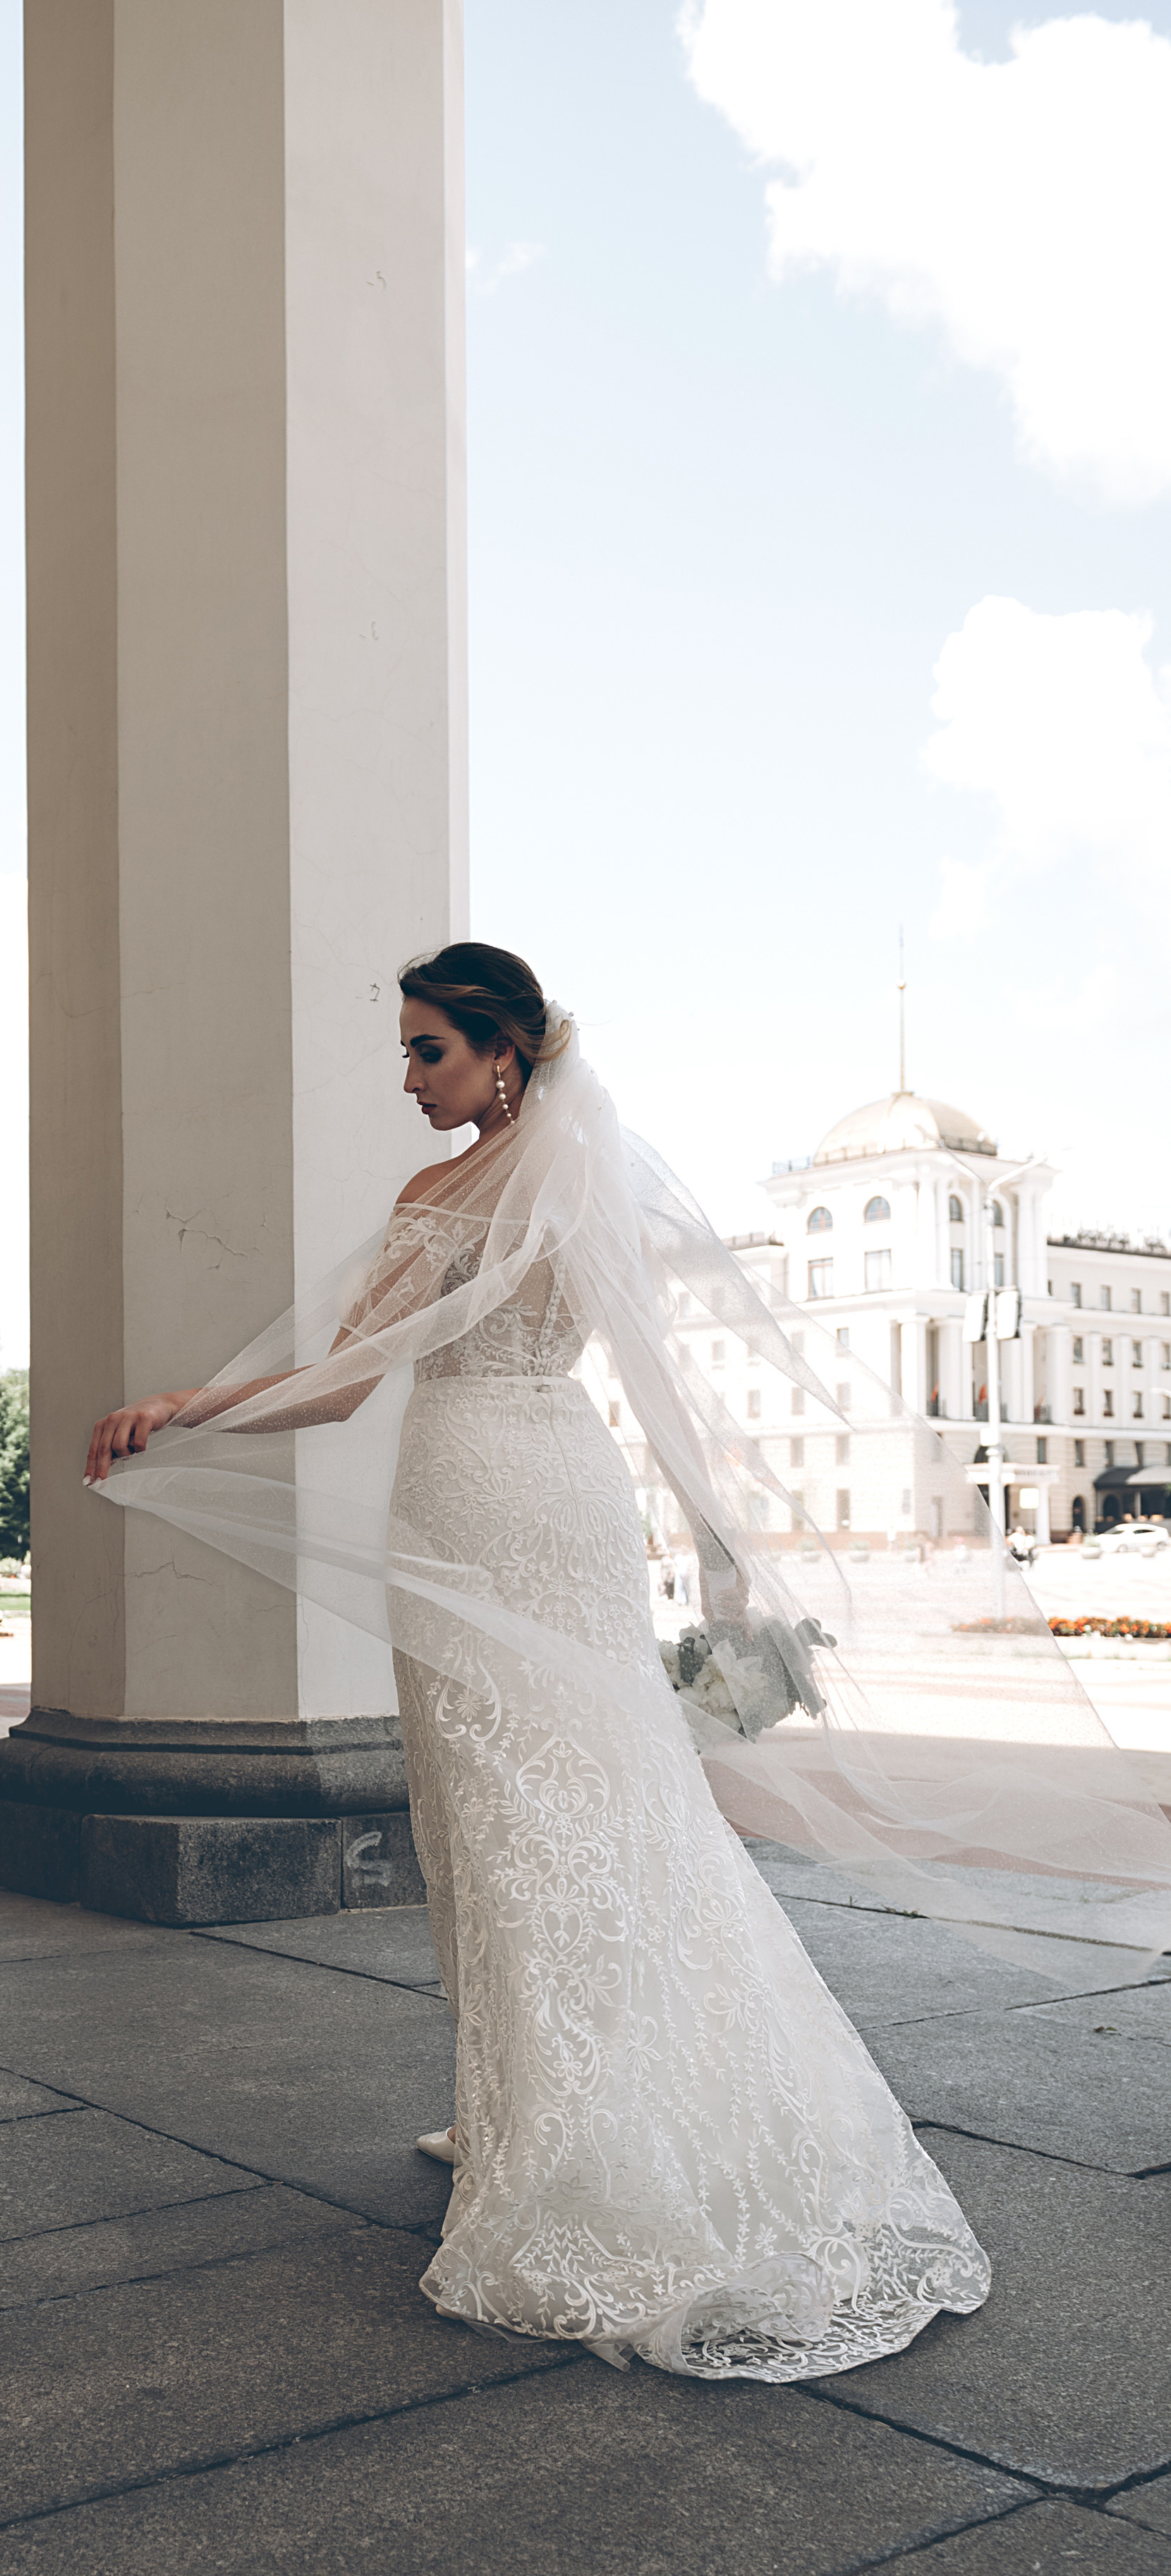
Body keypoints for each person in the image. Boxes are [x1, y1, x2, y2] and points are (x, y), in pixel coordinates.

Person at [81, 945, 1164, 2376]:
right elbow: (654, 1382)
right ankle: (539, 2105)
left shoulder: (439, 1197)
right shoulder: (589, 1189)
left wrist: (186, 1404)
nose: (408, 1079)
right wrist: (726, 1560)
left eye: (427, 1052)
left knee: (493, 1809)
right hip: (569, 1494)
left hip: (472, 1487)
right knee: (602, 1799)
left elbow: (339, 1384)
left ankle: (544, 2129)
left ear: (505, 1051)